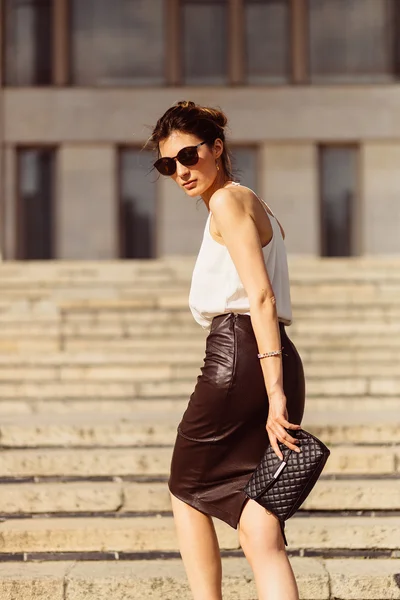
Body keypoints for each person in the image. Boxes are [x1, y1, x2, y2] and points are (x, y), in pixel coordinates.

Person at [149, 100, 306, 600]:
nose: (180, 171)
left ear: (217, 148)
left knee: (185, 486)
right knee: (260, 529)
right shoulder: (256, 204)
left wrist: (273, 394)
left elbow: (260, 295)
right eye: (167, 164)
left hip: (241, 356)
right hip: (273, 351)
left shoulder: (226, 202)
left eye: (189, 156)